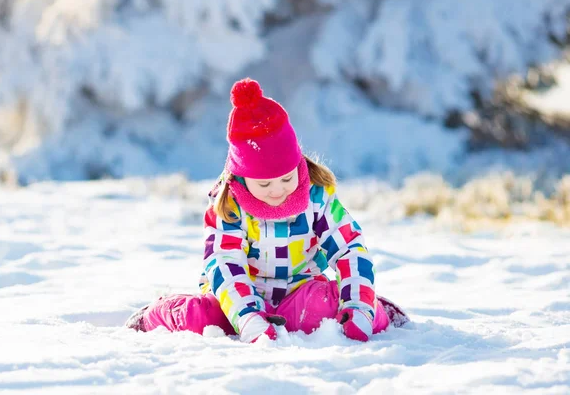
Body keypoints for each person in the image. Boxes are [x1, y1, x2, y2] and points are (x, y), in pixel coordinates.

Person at [125, 78, 407, 343]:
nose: (278, 190)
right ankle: (159, 312)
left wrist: (359, 306)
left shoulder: (316, 197)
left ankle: (372, 306)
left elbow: (349, 247)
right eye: (264, 183)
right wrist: (247, 317)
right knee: (201, 319)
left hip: (300, 294)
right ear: (242, 177)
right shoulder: (229, 206)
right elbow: (225, 262)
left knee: (332, 309)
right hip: (235, 298)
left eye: (287, 178)